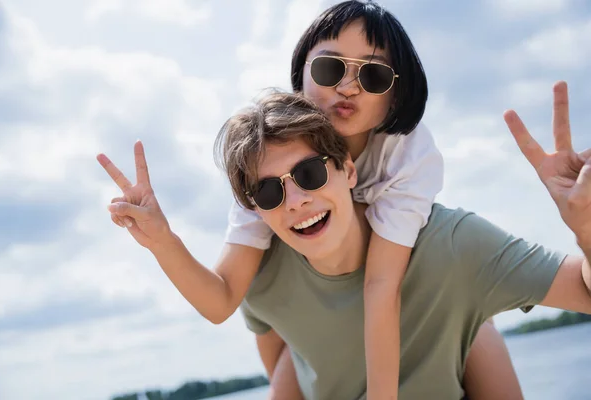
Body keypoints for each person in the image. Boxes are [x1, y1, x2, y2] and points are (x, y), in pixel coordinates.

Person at [98, 1, 523, 398]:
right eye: (328, 68)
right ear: (300, 75)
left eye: (372, 76)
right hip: (296, 316)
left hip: (408, 299)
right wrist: (162, 240)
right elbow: (222, 297)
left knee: (475, 333)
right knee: (273, 325)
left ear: (397, 95)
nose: (348, 87)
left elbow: (381, 285)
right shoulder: (266, 158)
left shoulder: (407, 155)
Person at [210, 84, 589, 399]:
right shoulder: (262, 280)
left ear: (348, 169)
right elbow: (280, 360)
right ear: (254, 209)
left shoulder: (448, 246)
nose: (296, 201)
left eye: (309, 173)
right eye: (269, 193)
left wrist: (585, 230)